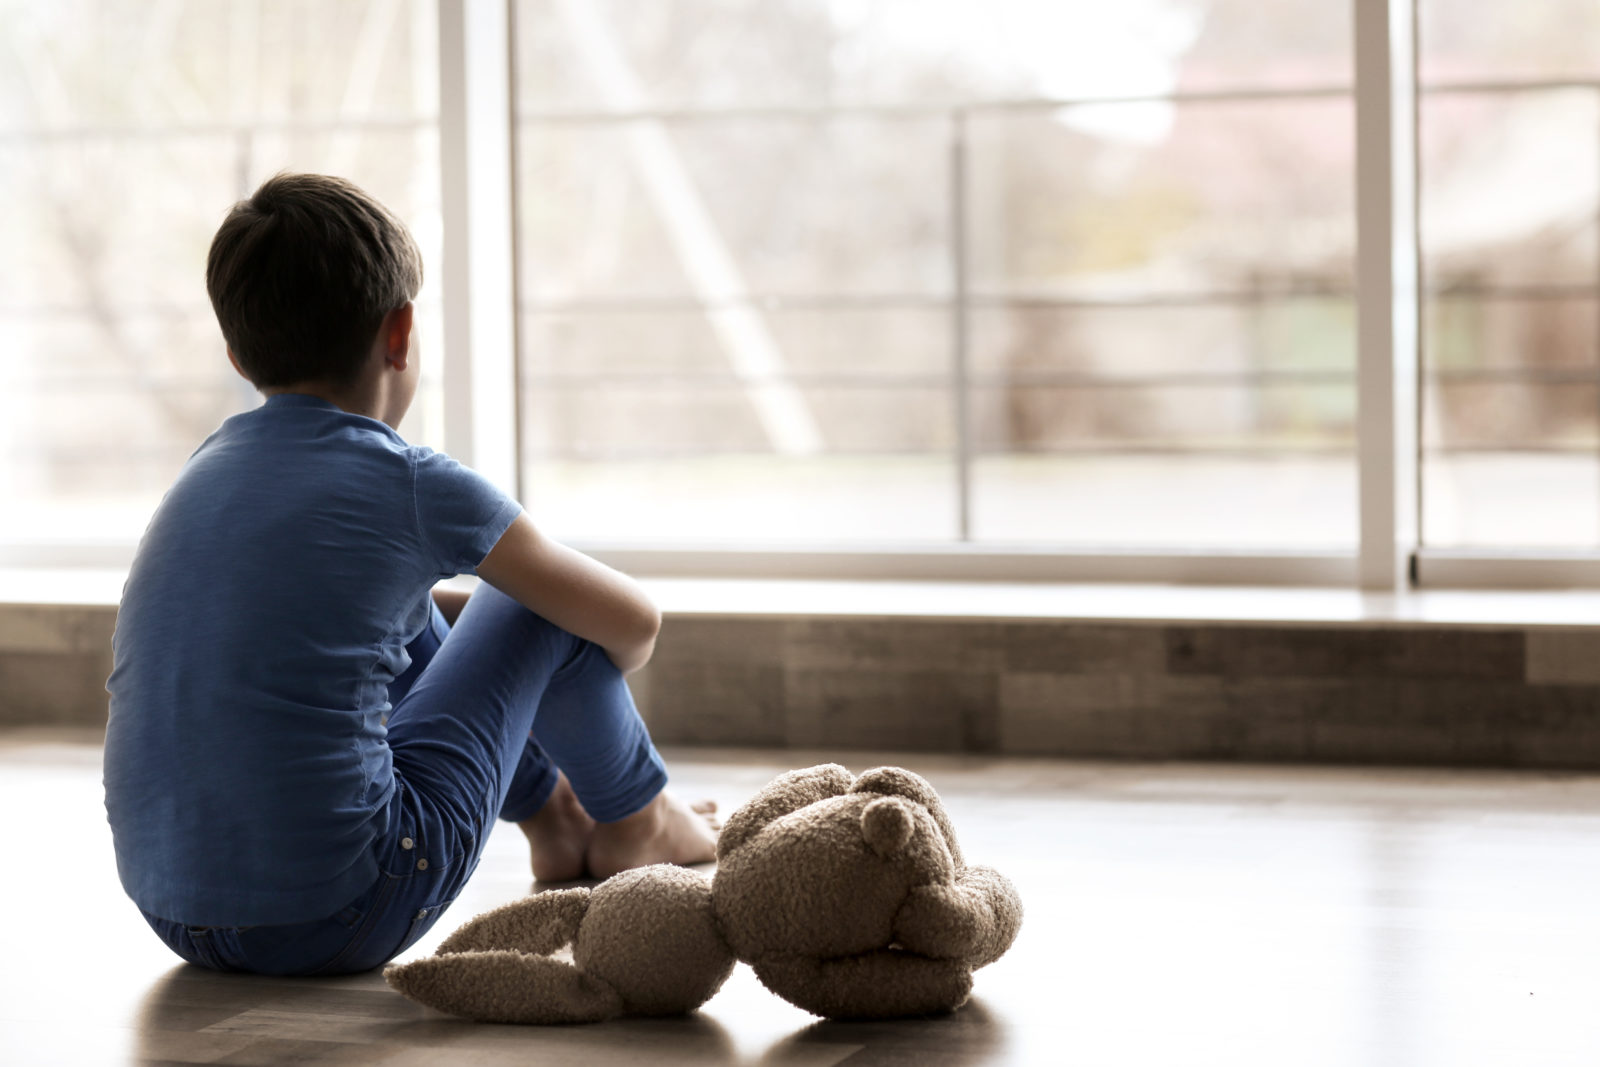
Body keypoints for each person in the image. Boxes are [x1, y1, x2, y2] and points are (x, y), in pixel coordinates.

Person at [103, 172, 717, 976]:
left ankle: (555, 819)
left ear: (237, 352)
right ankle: (638, 820)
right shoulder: (411, 481)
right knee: (537, 604)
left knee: (400, 604)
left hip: (174, 909)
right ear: (401, 334)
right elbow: (633, 623)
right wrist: (579, 670)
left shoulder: (205, 467)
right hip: (341, 907)